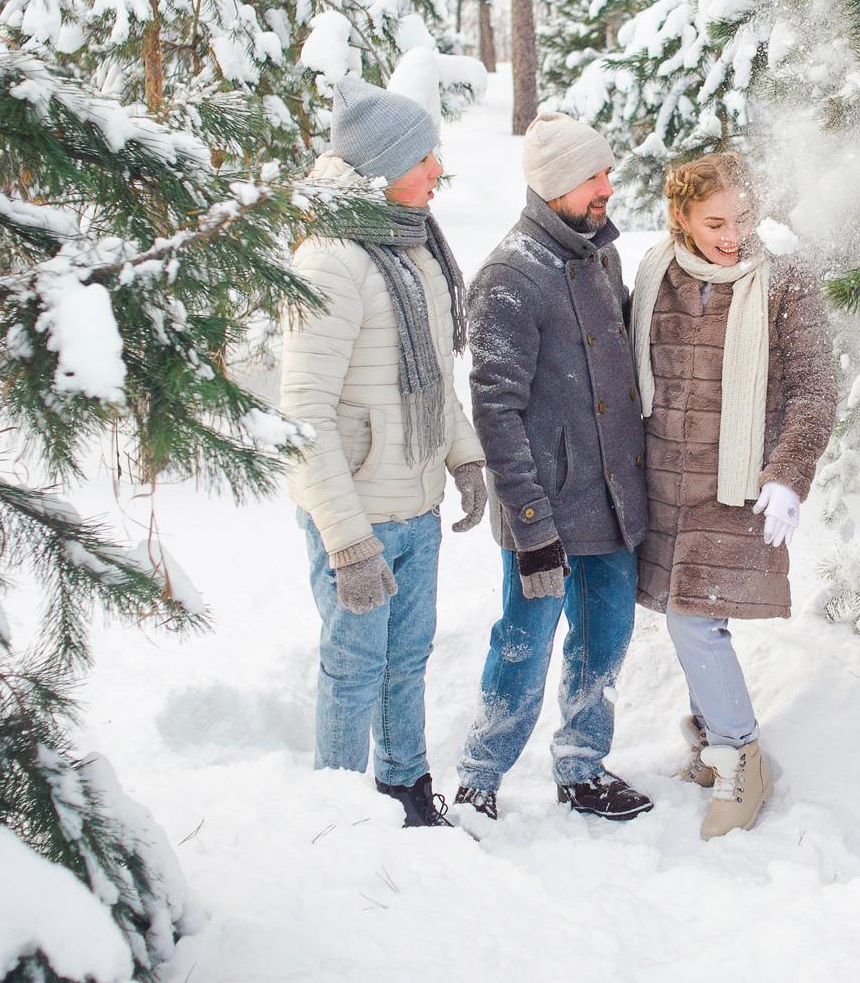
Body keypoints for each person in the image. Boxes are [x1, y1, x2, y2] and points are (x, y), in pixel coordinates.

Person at [280, 79, 488, 829]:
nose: (437, 168)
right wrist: (346, 542)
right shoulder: (331, 261)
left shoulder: (415, 246)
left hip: (416, 504)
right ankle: (335, 812)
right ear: (384, 164)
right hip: (359, 516)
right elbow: (301, 418)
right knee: (353, 668)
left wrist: (463, 456)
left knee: (407, 660)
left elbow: (433, 376)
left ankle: (406, 789)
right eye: (424, 156)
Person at [453, 113, 654, 823]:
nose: (607, 187)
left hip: (611, 502)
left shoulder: (601, 255)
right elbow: (495, 412)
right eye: (592, 176)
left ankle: (582, 765)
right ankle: (479, 775)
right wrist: (532, 525)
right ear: (552, 184)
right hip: (545, 508)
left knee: (605, 640)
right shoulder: (509, 276)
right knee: (524, 645)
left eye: (604, 172)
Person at [630, 151, 837, 839]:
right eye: (715, 220)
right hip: (664, 479)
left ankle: (744, 758)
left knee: (697, 620)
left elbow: (813, 388)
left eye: (743, 217)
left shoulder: (785, 278)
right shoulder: (657, 271)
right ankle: (715, 741)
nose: (732, 234)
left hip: (736, 485)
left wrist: (788, 473)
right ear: (681, 217)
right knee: (680, 614)